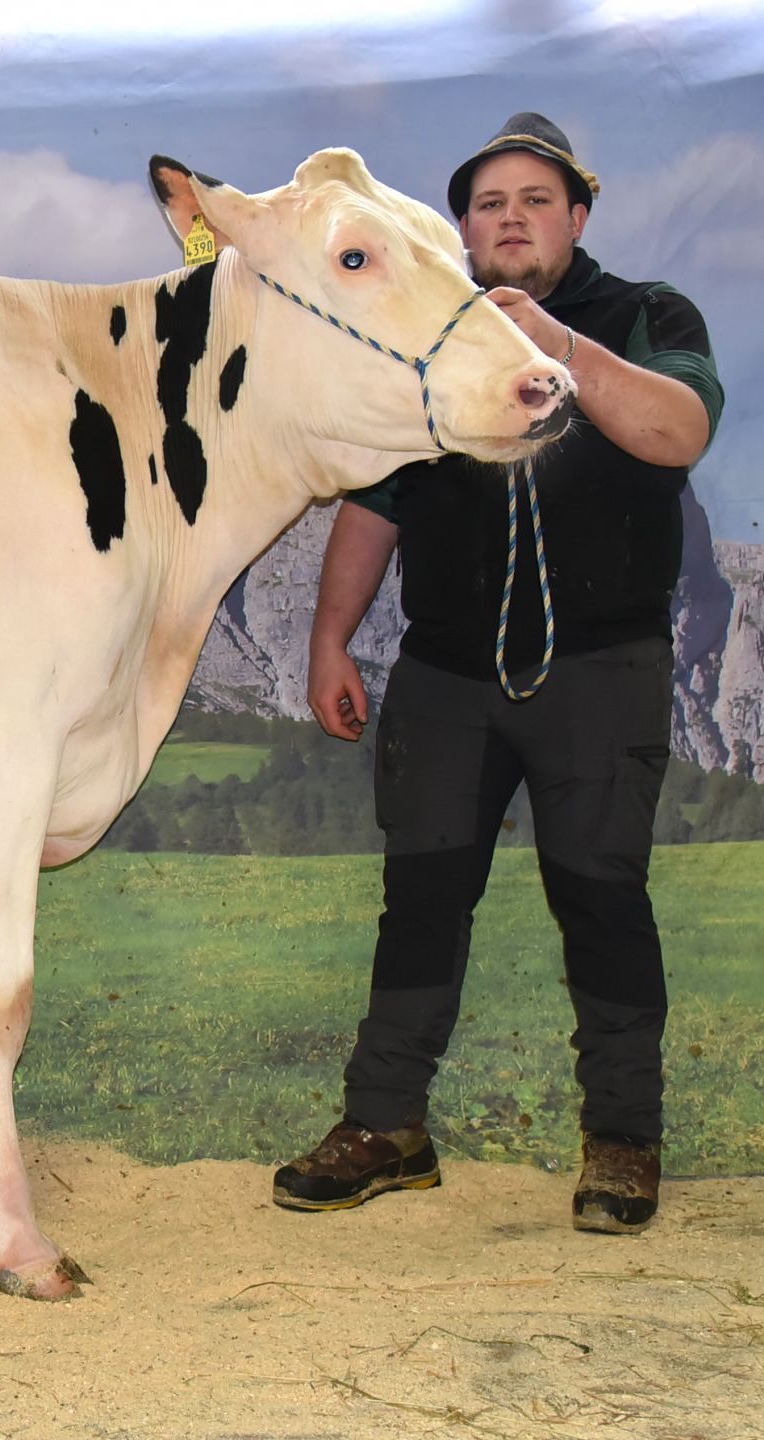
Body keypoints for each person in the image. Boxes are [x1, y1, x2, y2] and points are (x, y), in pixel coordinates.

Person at [272, 113, 722, 1233]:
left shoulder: (650, 314)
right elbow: (376, 503)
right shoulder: (427, 333)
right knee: (421, 900)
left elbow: (678, 433)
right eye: (489, 204)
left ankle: (622, 1143)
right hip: (446, 675)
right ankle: (387, 1127)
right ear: (463, 229)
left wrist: (555, 343)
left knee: (602, 902)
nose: (511, 219)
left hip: (601, 669)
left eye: (534, 200)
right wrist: (329, 640)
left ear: (577, 217)